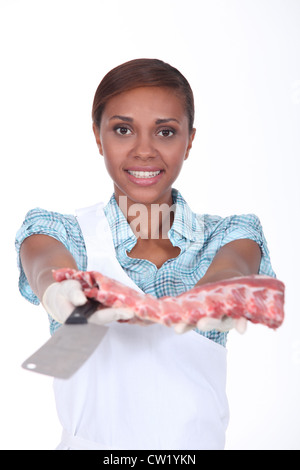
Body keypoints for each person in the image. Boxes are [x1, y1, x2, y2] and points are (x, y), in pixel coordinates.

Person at [15, 58, 276, 450]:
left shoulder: (228, 234)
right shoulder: (66, 234)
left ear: (189, 141)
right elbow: (47, 264)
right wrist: (62, 292)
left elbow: (231, 268)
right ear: (98, 136)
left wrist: (212, 297)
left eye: (166, 132)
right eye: (123, 130)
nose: (144, 151)